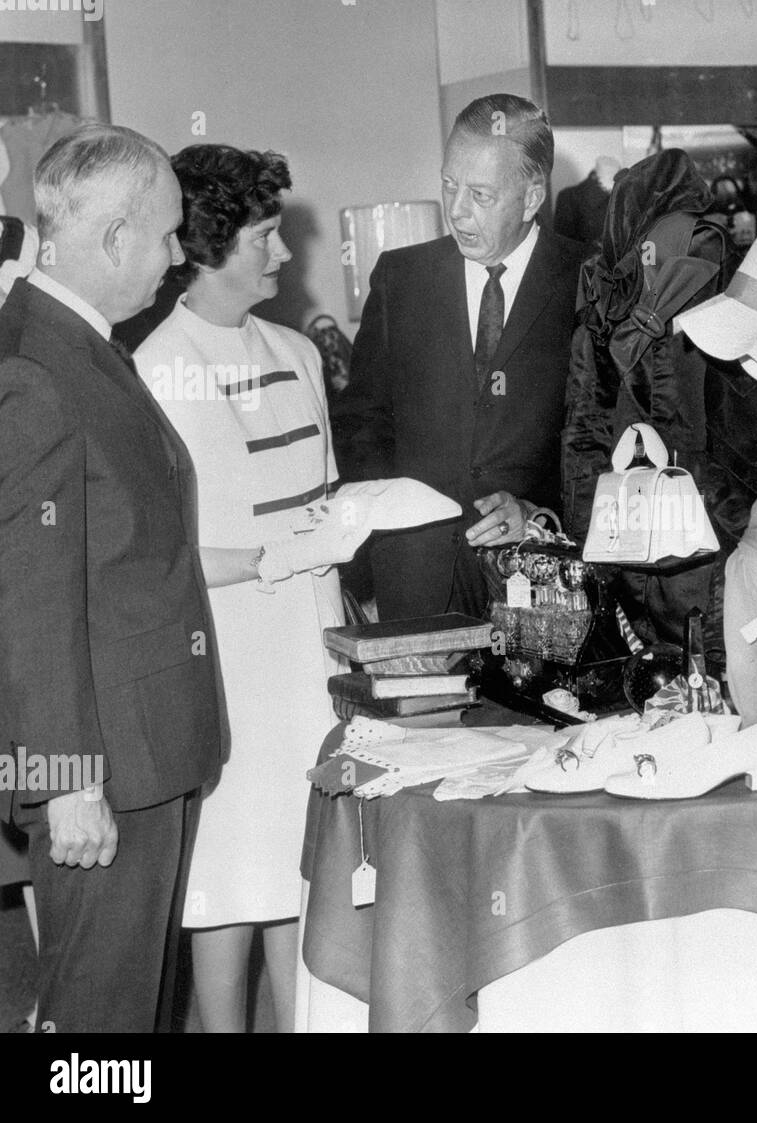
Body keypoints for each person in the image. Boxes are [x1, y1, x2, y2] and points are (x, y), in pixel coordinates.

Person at [0, 123, 223, 1032]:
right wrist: (64, 781)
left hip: (138, 753)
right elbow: (26, 595)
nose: (177, 260)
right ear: (115, 238)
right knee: (96, 1026)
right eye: (169, 236)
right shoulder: (34, 368)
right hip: (104, 776)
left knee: (127, 1018)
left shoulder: (72, 341)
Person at [133, 145, 355, 1032]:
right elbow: (159, 548)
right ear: (212, 243)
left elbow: (329, 496)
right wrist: (272, 557)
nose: (283, 254)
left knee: (302, 869)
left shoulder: (298, 352)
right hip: (223, 652)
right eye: (265, 235)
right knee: (225, 879)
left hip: (309, 650)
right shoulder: (152, 367)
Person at [334, 93, 588, 620]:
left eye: (480, 194)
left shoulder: (588, 281)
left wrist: (539, 516)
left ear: (532, 196)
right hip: (414, 583)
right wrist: (385, 528)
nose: (456, 210)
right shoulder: (401, 279)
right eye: (449, 185)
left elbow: (601, 439)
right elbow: (362, 422)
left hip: (541, 587)